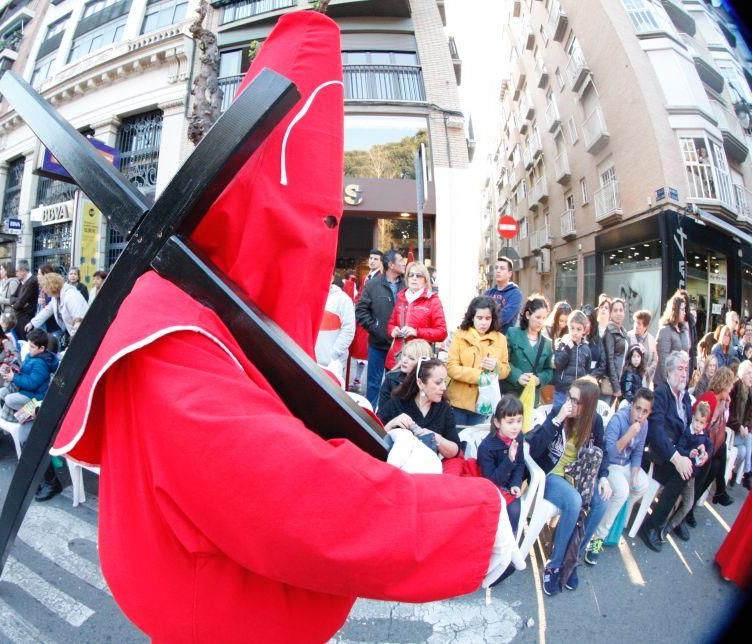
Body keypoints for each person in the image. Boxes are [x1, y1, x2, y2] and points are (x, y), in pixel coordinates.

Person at [45, 12, 519, 640]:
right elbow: (295, 504)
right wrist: (468, 524)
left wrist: (374, 430)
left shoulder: (204, 310)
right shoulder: (175, 333)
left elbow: (278, 386)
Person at [526, 376, 610, 594]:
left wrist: (604, 477)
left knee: (601, 502)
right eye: (569, 397)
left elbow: (602, 451)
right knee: (574, 501)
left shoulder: (595, 422)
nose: (569, 403)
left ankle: (572, 558)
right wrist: (556, 421)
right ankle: (554, 566)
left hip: (579, 475)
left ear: (588, 405)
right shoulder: (558, 413)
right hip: (552, 474)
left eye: (575, 400)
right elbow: (534, 450)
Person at [639, 351, 696, 552]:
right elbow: (656, 432)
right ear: (669, 371)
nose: (684, 374)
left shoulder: (685, 397)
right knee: (681, 474)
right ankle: (651, 525)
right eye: (680, 369)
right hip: (656, 454)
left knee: (700, 465)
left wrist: (697, 448)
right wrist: (676, 457)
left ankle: (677, 517)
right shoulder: (662, 394)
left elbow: (688, 428)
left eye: (686, 369)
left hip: (676, 451)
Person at [589, 387, 654, 561]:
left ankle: (617, 521)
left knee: (642, 484)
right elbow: (608, 453)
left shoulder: (645, 424)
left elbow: (638, 452)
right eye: (638, 409)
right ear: (631, 405)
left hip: (626, 465)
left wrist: (634, 473)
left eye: (645, 411)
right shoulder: (618, 420)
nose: (640, 415)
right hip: (610, 465)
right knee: (622, 491)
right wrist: (629, 434)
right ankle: (597, 538)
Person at [378, 357, 464, 466]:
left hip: (425, 472)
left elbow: (455, 451)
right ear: (420, 383)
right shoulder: (397, 403)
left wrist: (437, 438)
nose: (444, 388)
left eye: (445, 382)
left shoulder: (444, 409)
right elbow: (374, 437)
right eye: (438, 383)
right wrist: (392, 423)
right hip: (396, 467)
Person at [446, 296, 510, 426]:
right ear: (472, 317)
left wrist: (495, 366)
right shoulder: (460, 335)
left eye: (488, 318)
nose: (484, 323)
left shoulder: (500, 339)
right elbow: (451, 368)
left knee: (475, 442)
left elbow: (506, 371)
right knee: (457, 440)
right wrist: (480, 376)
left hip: (483, 402)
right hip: (458, 401)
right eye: (479, 318)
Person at [356, 248, 406, 407]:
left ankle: (392, 417)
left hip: (400, 346)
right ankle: (370, 419)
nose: (404, 264)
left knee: (397, 385)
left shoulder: (407, 285)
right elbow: (361, 310)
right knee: (373, 384)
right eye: (400, 261)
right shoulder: (372, 285)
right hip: (377, 344)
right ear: (391, 265)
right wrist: (375, 327)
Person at [662, 401, 714, 542]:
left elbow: (710, 446)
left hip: (691, 478)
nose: (698, 425)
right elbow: (679, 448)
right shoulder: (687, 433)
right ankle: (661, 527)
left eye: (701, 422)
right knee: (671, 500)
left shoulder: (703, 435)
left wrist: (706, 454)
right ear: (692, 418)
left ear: (705, 424)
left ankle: (670, 526)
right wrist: (687, 453)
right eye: (696, 420)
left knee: (688, 504)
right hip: (681, 472)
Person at [384, 261, 446, 371]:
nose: (414, 278)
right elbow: (391, 324)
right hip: (397, 357)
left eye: (418, 276)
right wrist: (393, 330)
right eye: (411, 275)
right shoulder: (401, 298)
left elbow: (442, 332)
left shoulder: (433, 300)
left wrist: (416, 332)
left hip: (419, 359)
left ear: (425, 279)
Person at [478, 395, 527, 531]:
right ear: (497, 423)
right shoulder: (486, 448)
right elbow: (491, 481)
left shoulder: (519, 437)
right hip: (490, 486)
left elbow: (520, 464)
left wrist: (516, 483)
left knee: (515, 511)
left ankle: (510, 545)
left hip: (508, 486)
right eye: (510, 422)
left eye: (519, 421)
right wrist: (509, 460)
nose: (516, 427)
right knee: (501, 513)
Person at [692, 367, 737, 509]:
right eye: (729, 386)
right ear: (723, 385)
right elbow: (702, 427)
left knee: (716, 465)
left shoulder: (719, 400)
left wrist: (725, 407)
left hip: (707, 442)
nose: (730, 390)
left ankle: (690, 508)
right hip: (696, 441)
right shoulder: (710, 398)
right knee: (720, 448)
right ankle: (720, 491)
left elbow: (721, 427)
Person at [503, 294, 553, 399]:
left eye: (544, 318)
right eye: (538, 317)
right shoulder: (513, 333)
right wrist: (517, 376)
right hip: (511, 393)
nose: (541, 321)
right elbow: (503, 361)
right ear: (528, 315)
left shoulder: (547, 343)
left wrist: (539, 379)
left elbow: (548, 370)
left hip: (532, 396)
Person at [26, 272, 89, 342]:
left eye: (45, 288)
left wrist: (73, 339)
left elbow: (79, 319)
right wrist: (32, 323)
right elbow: (47, 310)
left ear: (51, 287)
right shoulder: (56, 297)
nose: (44, 291)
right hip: (73, 333)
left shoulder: (71, 296)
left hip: (81, 334)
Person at [552, 309, 596, 408]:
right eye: (572, 328)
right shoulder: (562, 343)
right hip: (562, 391)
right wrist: (568, 348)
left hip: (578, 392)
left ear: (584, 330)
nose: (575, 332)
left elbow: (586, 370)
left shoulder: (586, 349)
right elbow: (558, 364)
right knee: (558, 415)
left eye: (578, 329)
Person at [315, 275, 355, 381]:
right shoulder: (310, 295)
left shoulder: (342, 299)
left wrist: (333, 355)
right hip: (309, 360)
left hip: (331, 364)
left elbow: (349, 329)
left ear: (331, 278)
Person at [377, 339, 432, 412]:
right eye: (404, 355)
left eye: (411, 358)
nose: (404, 360)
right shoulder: (391, 378)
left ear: (423, 363)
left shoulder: (430, 384)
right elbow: (382, 412)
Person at [655, 292, 692, 388]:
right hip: (665, 384)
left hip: (680, 382)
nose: (685, 312)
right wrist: (669, 383)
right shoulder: (665, 330)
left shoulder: (684, 330)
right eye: (682, 309)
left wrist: (685, 379)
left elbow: (687, 356)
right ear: (675, 310)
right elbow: (663, 361)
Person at [728, 360, 752, 490]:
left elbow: (750, 417)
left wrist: (747, 426)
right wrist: (739, 427)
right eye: (749, 373)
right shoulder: (734, 389)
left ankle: (735, 473)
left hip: (741, 435)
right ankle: (747, 472)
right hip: (731, 432)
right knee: (750, 438)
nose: (751, 377)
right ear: (742, 375)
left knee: (742, 452)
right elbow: (729, 415)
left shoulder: (751, 393)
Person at [602, 298, 629, 406]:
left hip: (618, 379)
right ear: (611, 313)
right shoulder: (609, 331)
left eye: (621, 310)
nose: (618, 313)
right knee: (603, 412)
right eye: (615, 310)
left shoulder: (623, 331)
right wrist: (616, 386)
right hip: (610, 382)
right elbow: (610, 360)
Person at [484, 256, 523, 332]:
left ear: (510, 273)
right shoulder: (488, 293)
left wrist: (484, 320)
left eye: (502, 268)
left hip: (505, 340)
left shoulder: (515, 294)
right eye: (496, 268)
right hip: (486, 337)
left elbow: (505, 316)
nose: (498, 271)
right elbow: (477, 312)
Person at [11, 260, 39, 340]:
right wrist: (17, 301)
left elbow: (18, 304)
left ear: (23, 270)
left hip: (26, 319)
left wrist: (16, 303)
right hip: (19, 319)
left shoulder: (32, 282)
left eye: (17, 271)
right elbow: (12, 298)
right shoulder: (22, 282)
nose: (16, 274)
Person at [631, 309, 657, 386]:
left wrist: (647, 371)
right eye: (635, 322)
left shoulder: (651, 340)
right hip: (630, 379)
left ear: (645, 326)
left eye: (639, 323)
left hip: (645, 381)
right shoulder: (628, 336)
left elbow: (655, 360)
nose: (636, 326)